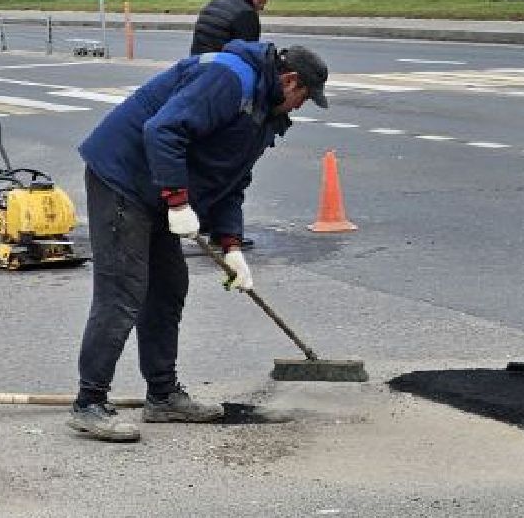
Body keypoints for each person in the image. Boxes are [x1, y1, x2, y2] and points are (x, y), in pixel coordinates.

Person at [69, 39, 331, 442]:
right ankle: (90, 403)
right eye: (304, 97)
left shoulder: (263, 114)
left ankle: (163, 397)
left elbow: (230, 181)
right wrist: (176, 200)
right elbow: (163, 130)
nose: (301, 106)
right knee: (123, 291)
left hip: (153, 189)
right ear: (290, 80)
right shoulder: (230, 79)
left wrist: (231, 245)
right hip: (122, 178)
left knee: (168, 288)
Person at [190, 0, 276, 55]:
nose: (263, 7)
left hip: (196, 64)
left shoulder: (213, 4)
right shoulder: (247, 14)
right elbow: (249, 56)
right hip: (219, 66)